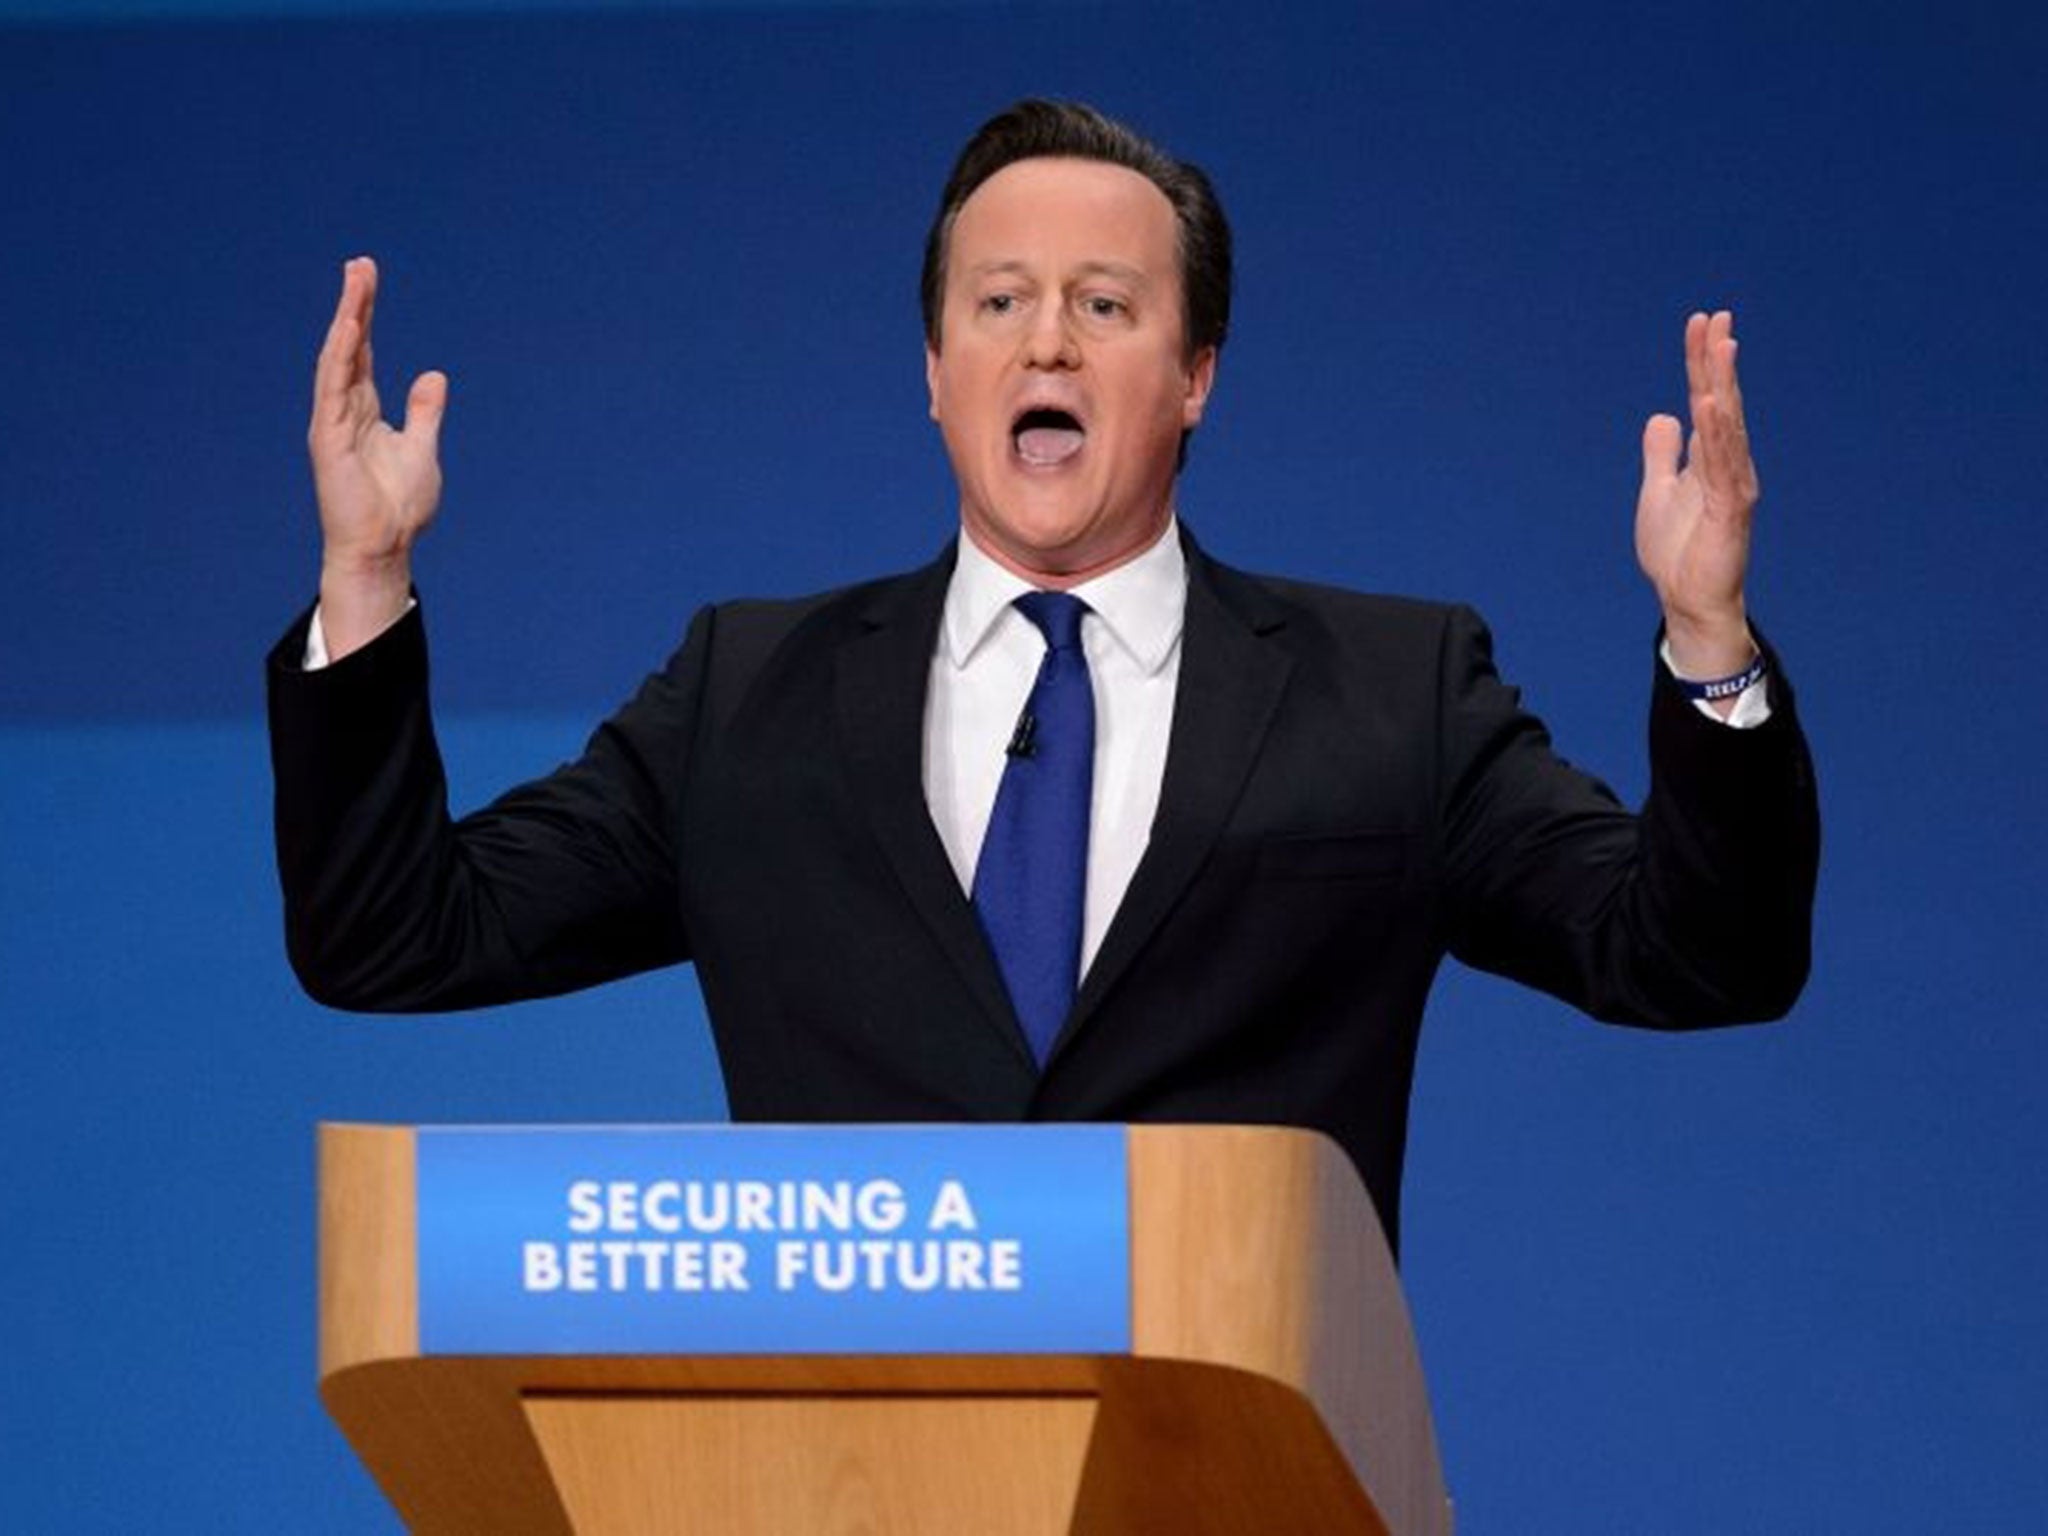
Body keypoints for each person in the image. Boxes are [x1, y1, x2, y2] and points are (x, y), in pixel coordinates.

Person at [270, 101, 1818, 1252]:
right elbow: (399, 939)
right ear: (937, 374)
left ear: (1196, 374)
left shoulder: (1390, 687)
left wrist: (1708, 643)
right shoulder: (749, 691)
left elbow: (1696, 958)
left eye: (1106, 304)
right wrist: (365, 581)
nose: (1047, 346)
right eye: (998, 302)